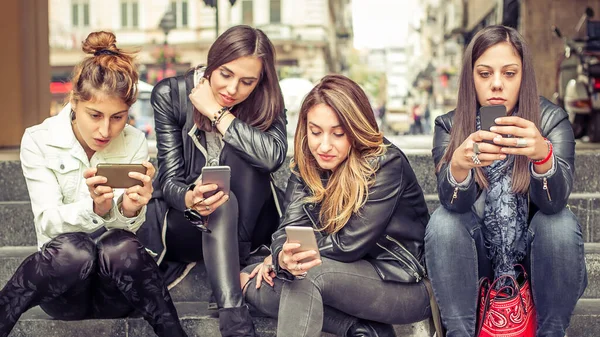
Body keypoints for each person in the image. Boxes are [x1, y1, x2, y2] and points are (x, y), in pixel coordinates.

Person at [0, 31, 187, 337]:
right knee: (76, 250)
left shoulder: (135, 140)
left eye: (118, 117)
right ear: (74, 100)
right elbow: (47, 221)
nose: (105, 129)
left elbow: (128, 234)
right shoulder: (39, 139)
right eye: (95, 114)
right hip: (64, 288)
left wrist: (129, 207)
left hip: (118, 292)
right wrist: (94, 208)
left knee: (120, 245)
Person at [426, 25, 588, 337]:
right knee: (444, 222)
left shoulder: (551, 120)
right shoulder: (449, 126)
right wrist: (459, 166)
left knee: (560, 223)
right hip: (479, 261)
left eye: (509, 73)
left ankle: (552, 332)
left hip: (537, 260)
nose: (496, 84)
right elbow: (452, 204)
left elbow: (554, 203)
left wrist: (542, 155)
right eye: (485, 74)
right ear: (471, 77)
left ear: (523, 76)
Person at [241, 74, 432, 337]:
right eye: (315, 132)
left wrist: (286, 260)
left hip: (403, 284)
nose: (324, 145)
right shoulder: (308, 162)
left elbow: (347, 246)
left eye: (338, 133)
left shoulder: (385, 163)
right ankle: (361, 329)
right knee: (251, 280)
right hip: (334, 276)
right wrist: (281, 256)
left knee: (304, 273)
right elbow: (288, 229)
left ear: (356, 130)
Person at [138, 25, 286, 336]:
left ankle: (229, 302)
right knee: (220, 199)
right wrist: (190, 197)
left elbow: (273, 157)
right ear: (211, 63)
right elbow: (169, 180)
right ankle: (234, 315)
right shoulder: (171, 94)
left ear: (261, 81)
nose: (233, 89)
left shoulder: (266, 99)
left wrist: (218, 113)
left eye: (247, 81)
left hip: (249, 227)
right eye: (225, 74)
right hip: (190, 224)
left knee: (247, 160)